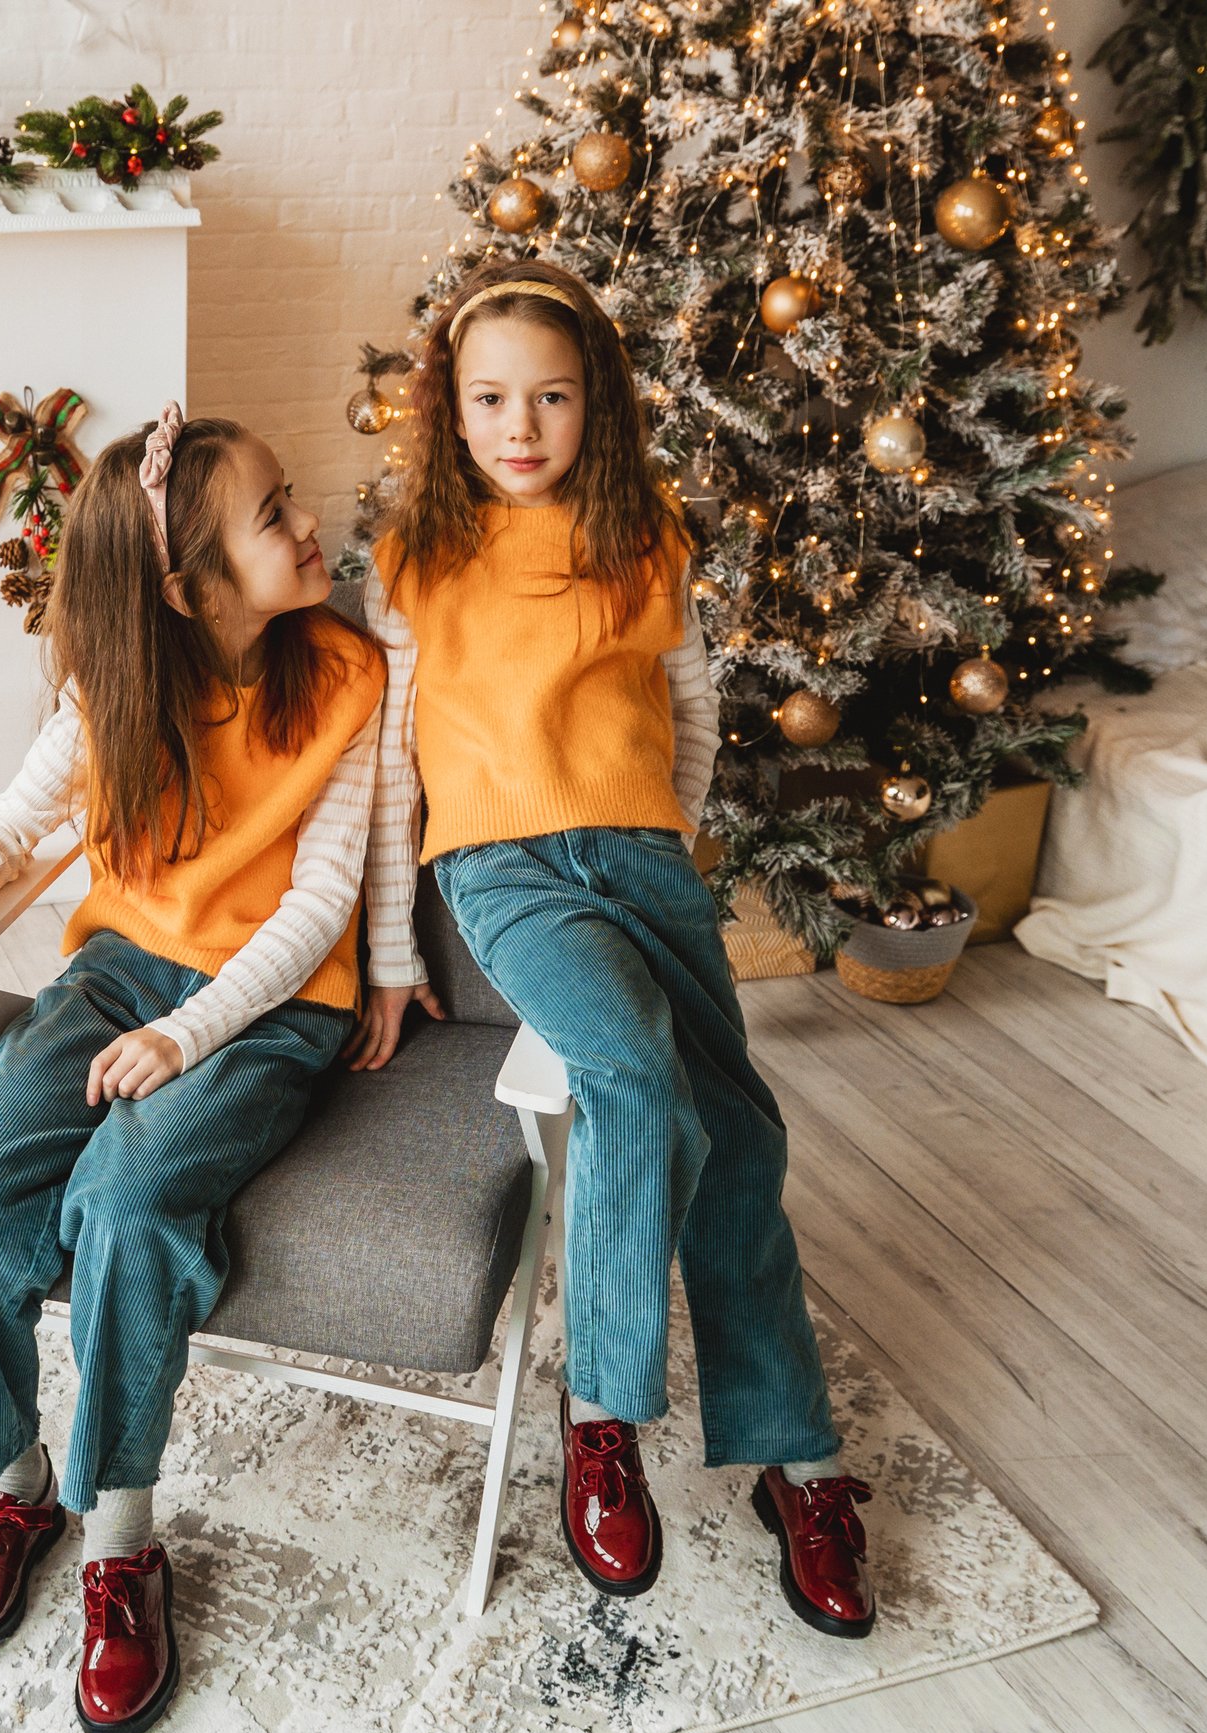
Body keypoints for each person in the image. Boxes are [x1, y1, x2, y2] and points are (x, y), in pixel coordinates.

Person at [348, 260, 877, 1636]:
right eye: (490, 400)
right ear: (450, 413)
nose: (520, 426)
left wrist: (669, 836)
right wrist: (391, 962)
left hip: (641, 856)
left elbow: (691, 706)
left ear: (598, 406)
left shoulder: (650, 541)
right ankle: (602, 1420)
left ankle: (794, 1461)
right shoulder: (415, 559)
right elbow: (391, 767)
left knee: (740, 1137)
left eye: (552, 397)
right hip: (503, 868)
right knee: (635, 1079)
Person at [0, 406, 384, 1733]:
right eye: (273, 515)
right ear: (182, 584)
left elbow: (318, 907)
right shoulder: (113, 698)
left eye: (289, 498)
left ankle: (117, 1539)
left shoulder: (345, 683)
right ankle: (6, 1477)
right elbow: (2, 829)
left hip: (268, 1011)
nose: (310, 522)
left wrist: (189, 1037)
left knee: (130, 1206)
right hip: (119, 980)